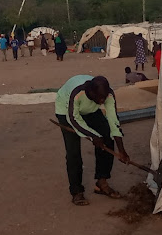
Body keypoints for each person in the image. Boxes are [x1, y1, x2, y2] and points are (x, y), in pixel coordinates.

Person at [55, 75, 130, 206]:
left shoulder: (108, 95)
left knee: (106, 137)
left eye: (104, 98)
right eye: (100, 98)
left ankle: (101, 182)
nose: (102, 101)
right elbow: (74, 119)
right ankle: (76, 191)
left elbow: (113, 121)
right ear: (91, 92)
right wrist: (93, 136)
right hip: (67, 111)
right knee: (73, 153)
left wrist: (122, 150)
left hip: (91, 110)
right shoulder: (77, 92)